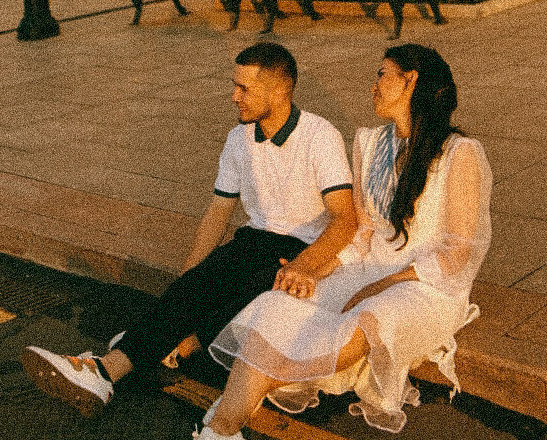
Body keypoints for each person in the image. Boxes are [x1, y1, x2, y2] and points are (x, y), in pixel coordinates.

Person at [163, 43, 492, 440]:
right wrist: (315, 268)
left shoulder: (460, 153)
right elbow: (360, 233)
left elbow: (457, 252)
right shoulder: (370, 142)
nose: (373, 85)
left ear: (410, 82)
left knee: (371, 318)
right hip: (368, 266)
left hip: (425, 283)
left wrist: (385, 283)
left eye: (382, 75)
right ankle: (224, 437)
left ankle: (225, 420)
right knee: (280, 304)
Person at [22, 40, 357, 419]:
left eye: (244, 88)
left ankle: (167, 348)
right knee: (198, 285)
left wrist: (305, 264)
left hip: (301, 246)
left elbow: (345, 218)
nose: (234, 96)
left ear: (279, 92)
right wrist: (186, 282)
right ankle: (105, 370)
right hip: (255, 238)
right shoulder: (238, 139)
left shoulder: (319, 135)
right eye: (235, 85)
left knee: (250, 294)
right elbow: (218, 211)